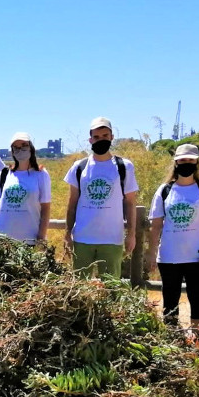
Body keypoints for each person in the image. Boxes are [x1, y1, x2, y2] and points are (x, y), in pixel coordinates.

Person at [147, 143, 199, 334]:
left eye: (190, 160)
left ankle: (197, 341)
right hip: (169, 256)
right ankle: (172, 342)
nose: (186, 163)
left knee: (198, 299)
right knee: (170, 301)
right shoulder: (164, 191)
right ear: (176, 162)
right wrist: (151, 253)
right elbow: (156, 226)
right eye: (182, 160)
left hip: (198, 256)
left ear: (197, 163)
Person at [63, 117, 139, 277]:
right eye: (96, 137)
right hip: (82, 238)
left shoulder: (124, 166)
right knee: (79, 290)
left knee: (112, 290)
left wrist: (131, 234)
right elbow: (72, 205)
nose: (101, 140)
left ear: (112, 137)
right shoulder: (79, 167)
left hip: (112, 239)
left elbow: (131, 203)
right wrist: (67, 234)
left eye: (105, 136)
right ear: (90, 139)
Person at [0, 132, 51, 246]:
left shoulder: (41, 174)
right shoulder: (5, 173)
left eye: (24, 145)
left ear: (31, 148)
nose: (20, 149)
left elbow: (46, 208)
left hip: (30, 239)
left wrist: (41, 237)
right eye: (16, 147)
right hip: (3, 240)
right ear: (12, 151)